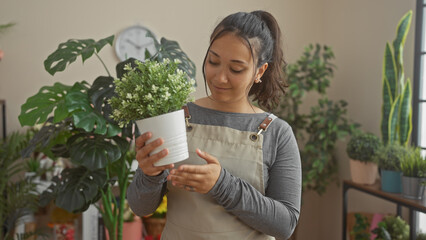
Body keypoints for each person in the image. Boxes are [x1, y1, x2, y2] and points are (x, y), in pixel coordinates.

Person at [127, 10, 301, 240]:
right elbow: (140, 207)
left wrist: (222, 184)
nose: (219, 77)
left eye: (236, 69)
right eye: (213, 61)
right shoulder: (177, 117)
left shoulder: (276, 132)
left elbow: (285, 224)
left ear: (260, 71)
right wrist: (149, 174)